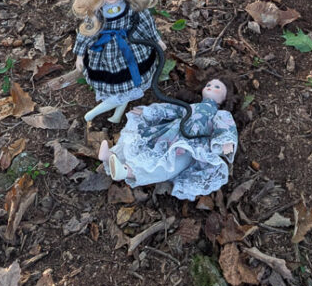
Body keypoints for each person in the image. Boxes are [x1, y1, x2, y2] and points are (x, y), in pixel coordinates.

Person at [98, 79, 237, 201]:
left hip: (190, 146)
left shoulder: (221, 114)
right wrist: (148, 112)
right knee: (144, 148)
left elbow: (225, 126)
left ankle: (126, 171)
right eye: (209, 84)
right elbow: (171, 109)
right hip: (168, 135)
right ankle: (111, 156)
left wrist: (226, 141)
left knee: (169, 165)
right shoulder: (190, 107)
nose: (211, 87)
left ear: (225, 98)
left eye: (217, 87)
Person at [72, 0, 164, 123]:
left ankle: (115, 115)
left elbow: (145, 22)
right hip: (107, 55)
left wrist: (156, 40)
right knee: (120, 86)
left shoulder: (130, 8)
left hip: (131, 49)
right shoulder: (97, 12)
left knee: (129, 86)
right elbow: (87, 33)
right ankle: (97, 115)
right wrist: (80, 54)